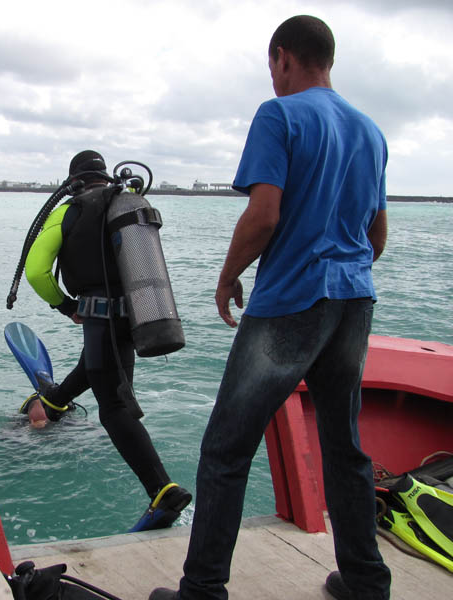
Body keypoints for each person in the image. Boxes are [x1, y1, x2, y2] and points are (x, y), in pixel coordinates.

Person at [149, 15, 391, 600]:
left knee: (226, 448)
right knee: (343, 446)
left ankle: (202, 590)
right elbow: (377, 233)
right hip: (354, 299)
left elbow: (264, 214)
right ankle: (364, 580)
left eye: (273, 68)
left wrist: (228, 276)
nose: (274, 79)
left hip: (292, 301)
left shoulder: (278, 114)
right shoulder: (370, 130)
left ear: (283, 58)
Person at [24, 150, 192, 529]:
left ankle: (162, 489)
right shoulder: (124, 203)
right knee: (100, 368)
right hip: (136, 313)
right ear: (104, 175)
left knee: (113, 405)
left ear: (75, 180)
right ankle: (51, 403)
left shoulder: (69, 210)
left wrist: (64, 305)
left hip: (98, 316)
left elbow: (36, 271)